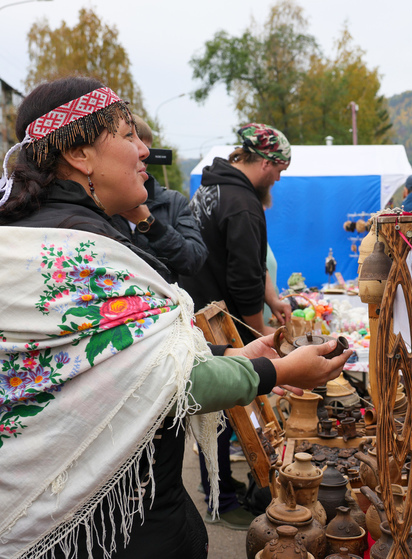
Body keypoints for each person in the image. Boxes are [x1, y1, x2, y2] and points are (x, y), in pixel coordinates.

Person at [0, 76, 351, 558]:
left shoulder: (36, 236)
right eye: (127, 135)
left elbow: (130, 361)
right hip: (113, 530)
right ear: (80, 155)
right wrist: (279, 370)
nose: (144, 151)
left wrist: (232, 353)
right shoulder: (82, 254)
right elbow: (171, 378)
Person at [180, 122, 295, 527]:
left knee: (221, 414)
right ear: (265, 162)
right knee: (224, 411)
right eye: (280, 169)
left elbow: (244, 260)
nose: (280, 177)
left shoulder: (214, 187)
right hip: (216, 321)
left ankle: (219, 490)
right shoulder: (243, 203)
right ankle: (221, 499)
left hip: (201, 311)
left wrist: (273, 300)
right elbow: (245, 277)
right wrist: (261, 331)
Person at [111, 115, 207, 284]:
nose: (142, 157)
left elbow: (194, 260)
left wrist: (150, 225)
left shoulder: (172, 201)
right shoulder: (99, 203)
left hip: (164, 306)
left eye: (147, 152)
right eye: (133, 148)